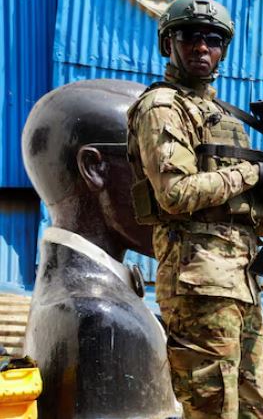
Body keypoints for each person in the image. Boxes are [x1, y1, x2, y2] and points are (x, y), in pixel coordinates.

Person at [126, 0, 263, 418]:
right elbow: (176, 194)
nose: (202, 47)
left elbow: (237, 215)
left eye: (214, 39)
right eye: (190, 37)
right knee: (214, 409)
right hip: (197, 283)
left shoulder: (223, 115)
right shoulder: (163, 107)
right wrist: (253, 174)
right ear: (169, 44)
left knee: (255, 407)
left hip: (241, 281)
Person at [21, 79, 177, 418]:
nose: (174, 191)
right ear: (94, 168)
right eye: (157, 167)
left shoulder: (72, 297)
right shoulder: (101, 317)